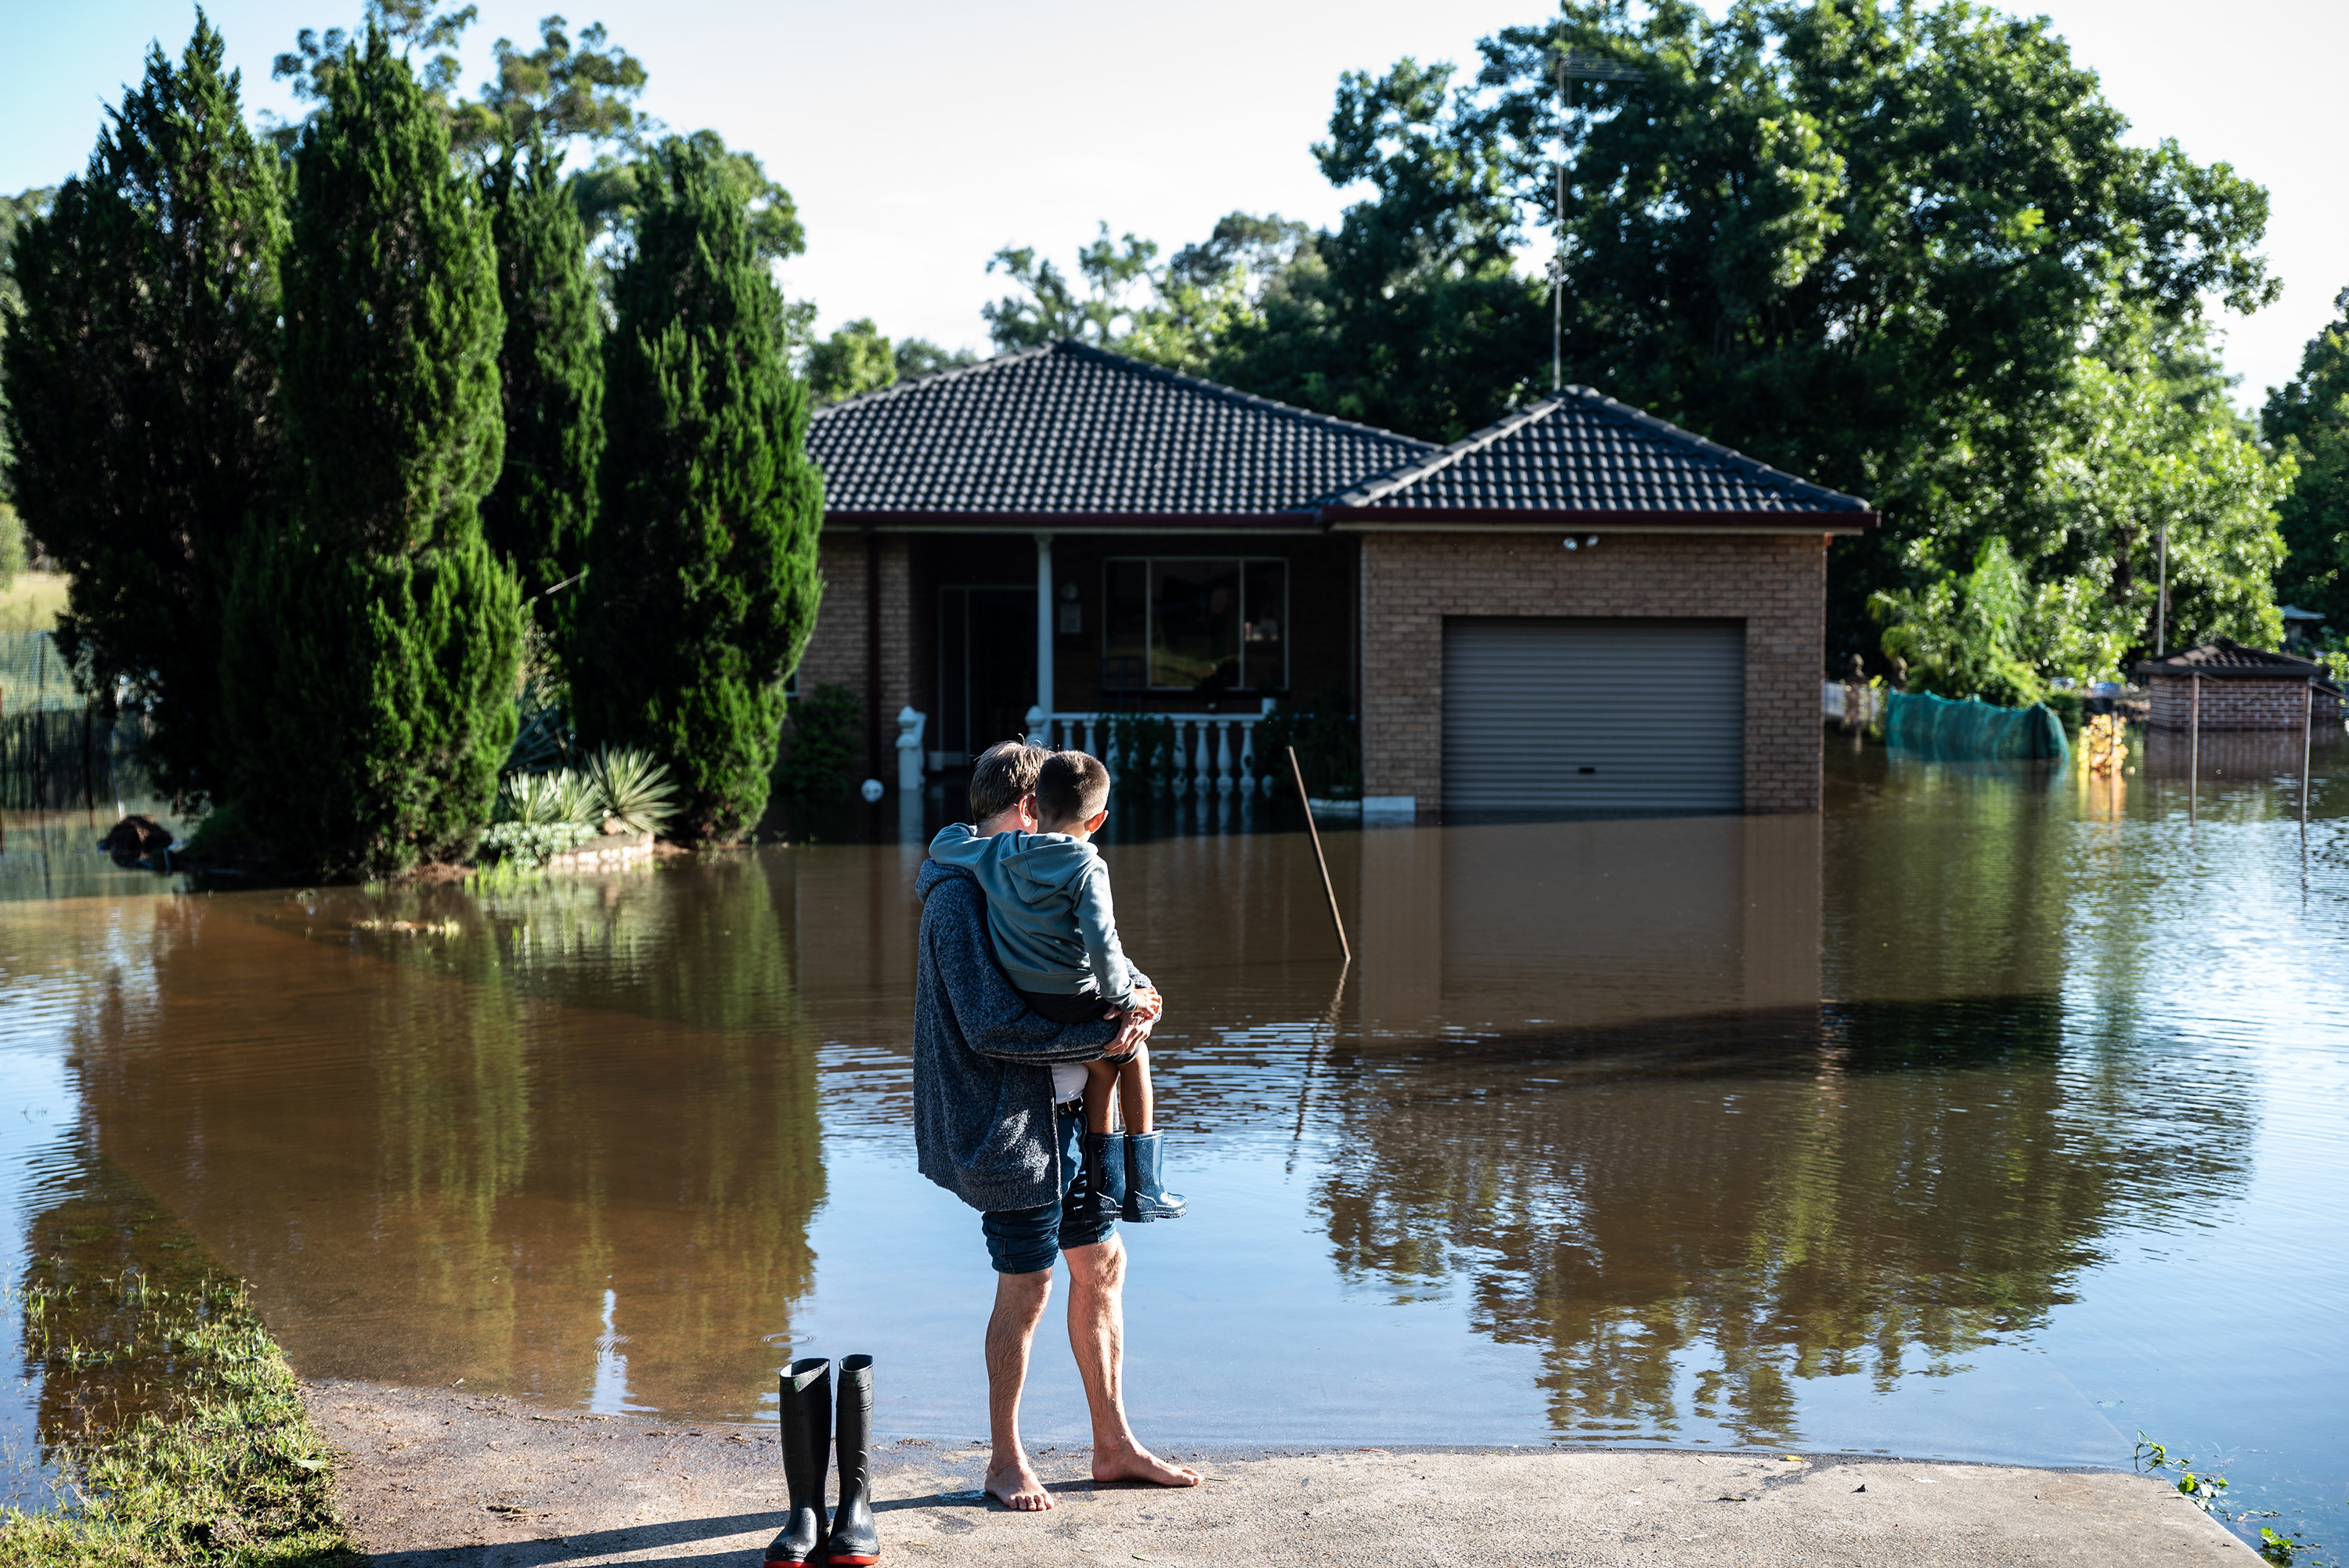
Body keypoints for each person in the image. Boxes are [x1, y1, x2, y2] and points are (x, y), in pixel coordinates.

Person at [912, 741, 1202, 1511]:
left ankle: (1113, 1445)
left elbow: (1079, 953)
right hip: (1008, 1130)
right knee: (1029, 1282)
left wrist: (1135, 993)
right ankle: (1005, 1459)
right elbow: (987, 1024)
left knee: (1102, 1267)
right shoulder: (957, 895)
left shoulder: (1030, 868)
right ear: (1032, 807)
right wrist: (1109, 1039)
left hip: (1073, 1117)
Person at [926, 749, 1185, 1223]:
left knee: (1104, 1071)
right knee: (1133, 1056)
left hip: (1033, 995)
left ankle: (1105, 1187)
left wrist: (966, 830)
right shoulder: (1087, 867)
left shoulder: (998, 853)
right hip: (1076, 1001)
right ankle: (1146, 1186)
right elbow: (1104, 944)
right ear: (1100, 819)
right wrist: (1127, 999)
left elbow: (942, 847)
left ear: (1036, 810)